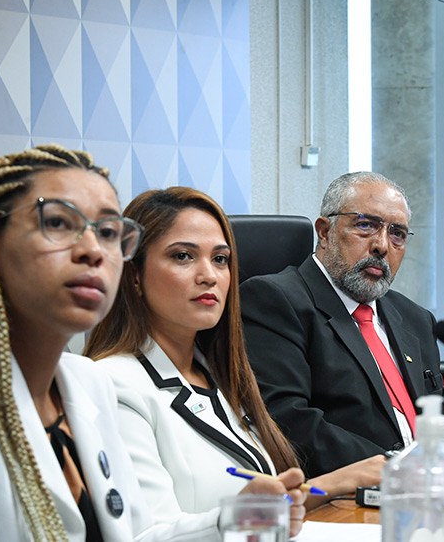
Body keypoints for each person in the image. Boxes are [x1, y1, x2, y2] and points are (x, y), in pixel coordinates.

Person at [0, 145, 181, 540]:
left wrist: (233, 518)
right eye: (57, 222)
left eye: (109, 232)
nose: (93, 250)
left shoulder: (89, 381)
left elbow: (137, 535)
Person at [85, 187, 370, 537]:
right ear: (133, 275)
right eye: (183, 256)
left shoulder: (219, 374)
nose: (209, 275)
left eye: (220, 259)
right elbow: (143, 535)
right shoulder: (114, 383)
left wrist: (338, 482)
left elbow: (266, 504)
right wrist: (238, 516)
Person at [240, 172, 444, 479]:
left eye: (397, 234)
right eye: (366, 225)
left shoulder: (414, 318)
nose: (382, 245)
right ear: (325, 231)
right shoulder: (274, 300)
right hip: (344, 492)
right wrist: (397, 468)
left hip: (431, 487)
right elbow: (288, 422)